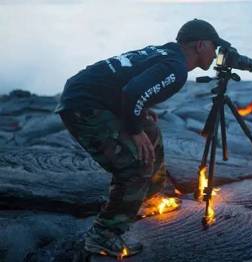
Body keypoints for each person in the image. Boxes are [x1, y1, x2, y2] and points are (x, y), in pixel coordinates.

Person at [54, 19, 229, 257]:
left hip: (90, 95)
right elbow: (133, 91)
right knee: (134, 166)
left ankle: (149, 197)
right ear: (200, 45)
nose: (216, 51)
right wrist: (134, 130)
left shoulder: (166, 52)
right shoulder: (176, 69)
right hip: (84, 106)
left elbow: (130, 82)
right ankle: (103, 235)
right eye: (213, 45)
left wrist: (140, 113)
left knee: (152, 132)